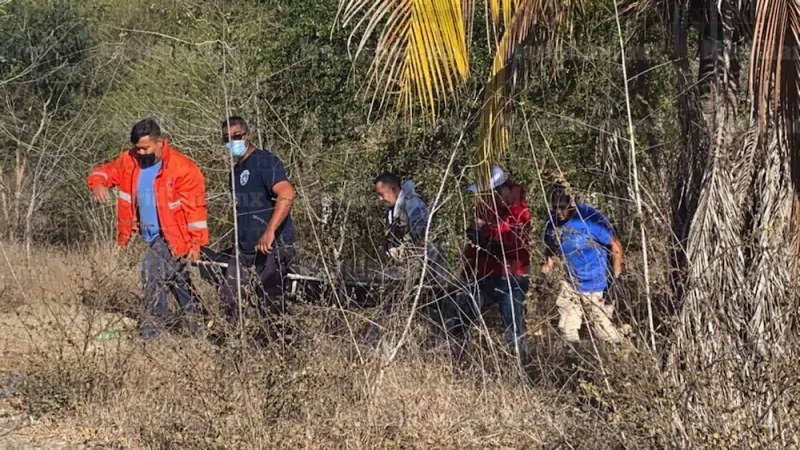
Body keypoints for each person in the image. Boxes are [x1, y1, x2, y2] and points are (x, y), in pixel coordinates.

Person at [87, 118, 208, 339]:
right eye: (138, 148)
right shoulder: (129, 160)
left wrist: (196, 243)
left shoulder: (183, 168)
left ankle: (152, 334)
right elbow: (103, 172)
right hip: (150, 235)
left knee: (151, 271)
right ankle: (199, 324)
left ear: (160, 142)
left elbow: (196, 210)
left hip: (175, 236)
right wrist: (98, 184)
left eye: (145, 147)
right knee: (175, 277)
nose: (141, 152)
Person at [218, 116, 296, 330]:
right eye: (227, 139)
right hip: (244, 248)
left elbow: (287, 194)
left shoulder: (265, 161)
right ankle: (233, 348)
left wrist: (269, 231)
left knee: (271, 305)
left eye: (236, 136)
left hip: (272, 246)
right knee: (229, 300)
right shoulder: (233, 173)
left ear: (248, 135)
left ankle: (283, 350)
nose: (232, 142)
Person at [370, 173, 457, 347]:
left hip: (430, 273)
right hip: (411, 272)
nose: (380, 199)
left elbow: (426, 240)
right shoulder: (393, 209)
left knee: (438, 317)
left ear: (394, 189)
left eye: (382, 194)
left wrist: (407, 254)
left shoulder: (413, 205)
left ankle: (445, 352)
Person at [536, 183, 623, 345]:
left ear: (572, 203)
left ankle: (624, 353)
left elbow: (615, 245)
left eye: (563, 207)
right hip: (571, 283)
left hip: (597, 284)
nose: (559, 212)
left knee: (603, 332)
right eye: (555, 208)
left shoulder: (590, 218)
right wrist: (542, 276)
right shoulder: (552, 223)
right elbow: (550, 252)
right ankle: (574, 360)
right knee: (567, 327)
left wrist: (615, 279)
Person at [459, 165, 532, 356]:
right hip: (485, 276)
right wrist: (465, 273)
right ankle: (454, 360)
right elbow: (474, 246)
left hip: (511, 277)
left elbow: (513, 234)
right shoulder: (484, 209)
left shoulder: (519, 209)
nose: (483, 197)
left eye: (487, 193)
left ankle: (520, 367)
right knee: (462, 318)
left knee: (513, 329)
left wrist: (486, 232)